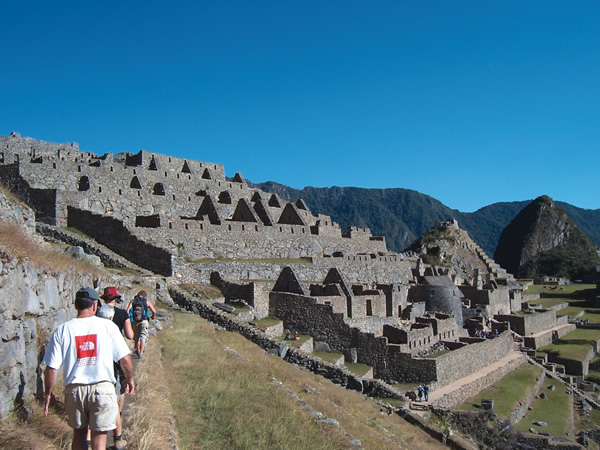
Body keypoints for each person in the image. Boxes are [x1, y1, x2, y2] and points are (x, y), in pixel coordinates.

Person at [42, 287, 135, 450]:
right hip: (102, 388)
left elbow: (51, 367)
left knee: (79, 433)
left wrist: (48, 393)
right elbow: (125, 359)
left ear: (76, 306)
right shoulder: (108, 327)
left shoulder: (62, 330)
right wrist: (129, 378)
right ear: (94, 306)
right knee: (99, 435)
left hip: (74, 389)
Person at [98, 286, 134, 449]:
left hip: (99, 355)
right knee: (119, 389)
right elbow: (130, 335)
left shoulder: (97, 313)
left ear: (104, 298)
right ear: (116, 298)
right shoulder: (121, 314)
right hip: (117, 354)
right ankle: (116, 423)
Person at [126, 290, 156, 358]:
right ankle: (141, 353)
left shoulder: (133, 301)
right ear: (145, 295)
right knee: (143, 336)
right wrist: (153, 316)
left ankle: (138, 350)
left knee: (136, 337)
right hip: (144, 321)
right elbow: (154, 311)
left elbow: (127, 311)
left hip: (135, 321)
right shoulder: (147, 302)